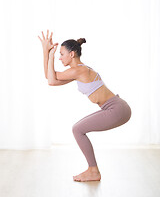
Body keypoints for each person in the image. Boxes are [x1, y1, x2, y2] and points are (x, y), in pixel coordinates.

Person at [38, 30, 132, 182]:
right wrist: (46, 52)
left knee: (77, 129)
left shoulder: (79, 70)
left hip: (116, 108)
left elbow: (50, 79)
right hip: (117, 108)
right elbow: (51, 79)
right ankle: (93, 170)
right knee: (78, 128)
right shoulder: (78, 71)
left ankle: (93, 171)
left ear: (72, 54)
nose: (59, 58)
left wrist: (48, 53)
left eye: (61, 54)